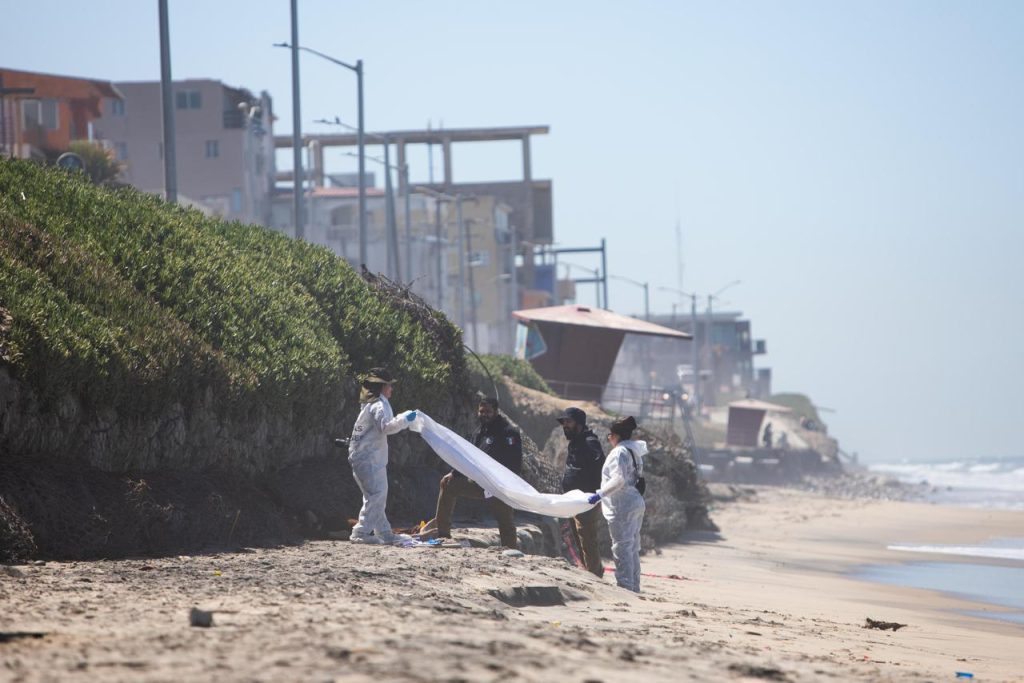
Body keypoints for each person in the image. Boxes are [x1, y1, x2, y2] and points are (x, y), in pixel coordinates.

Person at [424, 397, 523, 548]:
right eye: (481, 411)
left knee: (506, 522)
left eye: (488, 411)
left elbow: (515, 463)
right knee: (448, 484)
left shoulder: (509, 432)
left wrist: (507, 486)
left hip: (498, 486)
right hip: (478, 483)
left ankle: (511, 551)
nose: (484, 414)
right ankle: (443, 534)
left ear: (496, 412)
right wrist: (454, 474)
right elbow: (468, 458)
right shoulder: (479, 432)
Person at [347, 367, 418, 544]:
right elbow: (386, 427)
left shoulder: (370, 404)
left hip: (365, 457)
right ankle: (361, 532)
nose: (391, 389)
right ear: (381, 387)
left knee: (374, 496)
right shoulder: (378, 404)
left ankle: (384, 532)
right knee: (377, 494)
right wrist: (405, 419)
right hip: (369, 459)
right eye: (389, 385)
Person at [586, 416, 646, 592]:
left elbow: (618, 479)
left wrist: (599, 494)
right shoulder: (634, 451)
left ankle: (625, 586)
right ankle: (634, 585)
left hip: (622, 506)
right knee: (632, 546)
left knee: (622, 547)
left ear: (616, 435)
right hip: (635, 502)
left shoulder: (619, 452)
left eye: (609, 435)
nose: (609, 439)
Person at [557, 406, 605, 577]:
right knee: (579, 539)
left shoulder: (590, 442)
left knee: (588, 539)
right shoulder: (575, 442)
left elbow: (600, 469)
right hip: (573, 500)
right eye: (564, 422)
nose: (565, 425)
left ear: (579, 423)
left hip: (587, 501)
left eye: (568, 422)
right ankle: (590, 572)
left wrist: (595, 495)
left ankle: (595, 575)